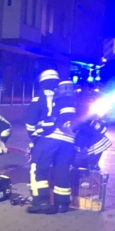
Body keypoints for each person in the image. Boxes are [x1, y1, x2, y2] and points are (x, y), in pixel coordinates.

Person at [26, 78, 78, 214]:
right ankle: (62, 204)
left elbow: (31, 120)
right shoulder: (76, 101)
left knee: (38, 168)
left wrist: (34, 138)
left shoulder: (45, 96)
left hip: (51, 137)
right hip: (69, 141)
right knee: (62, 170)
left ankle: (41, 202)